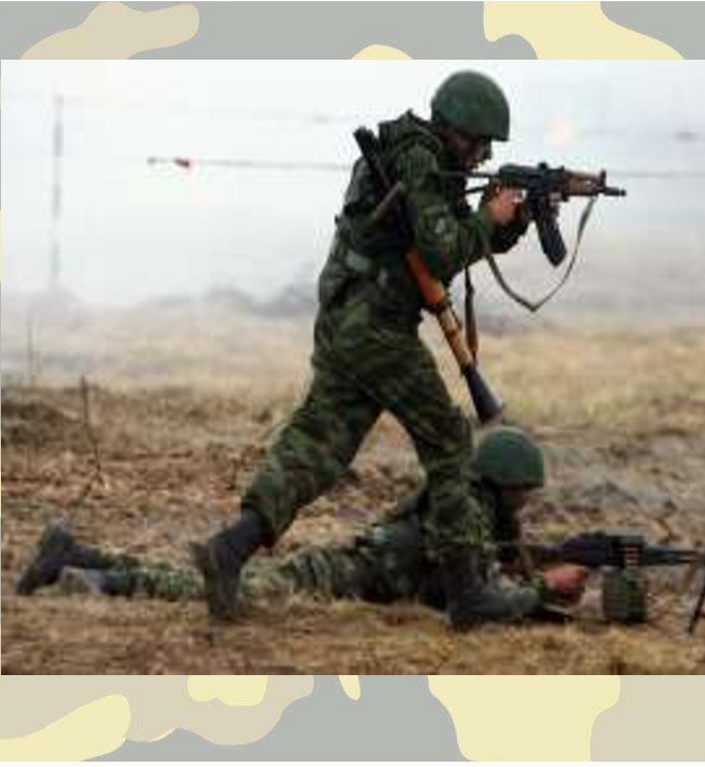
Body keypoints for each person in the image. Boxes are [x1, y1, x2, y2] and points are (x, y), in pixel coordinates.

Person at [192, 71, 538, 627]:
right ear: (459, 130)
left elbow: (444, 243)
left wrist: (510, 224)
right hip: (376, 324)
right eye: (481, 144)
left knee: (318, 446)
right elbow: (444, 252)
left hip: (348, 318)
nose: (485, 156)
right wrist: (486, 218)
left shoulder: (418, 160)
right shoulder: (420, 162)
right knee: (449, 440)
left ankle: (229, 550)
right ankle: (467, 593)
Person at [17, 428, 589, 623]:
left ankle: (79, 555)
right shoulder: (463, 510)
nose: (525, 504)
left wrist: (534, 572)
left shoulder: (472, 508)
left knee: (204, 579)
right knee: (214, 589)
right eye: (523, 493)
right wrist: (543, 589)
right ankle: (101, 579)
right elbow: (472, 604)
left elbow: (477, 574)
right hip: (336, 577)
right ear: (502, 484)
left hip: (348, 574)